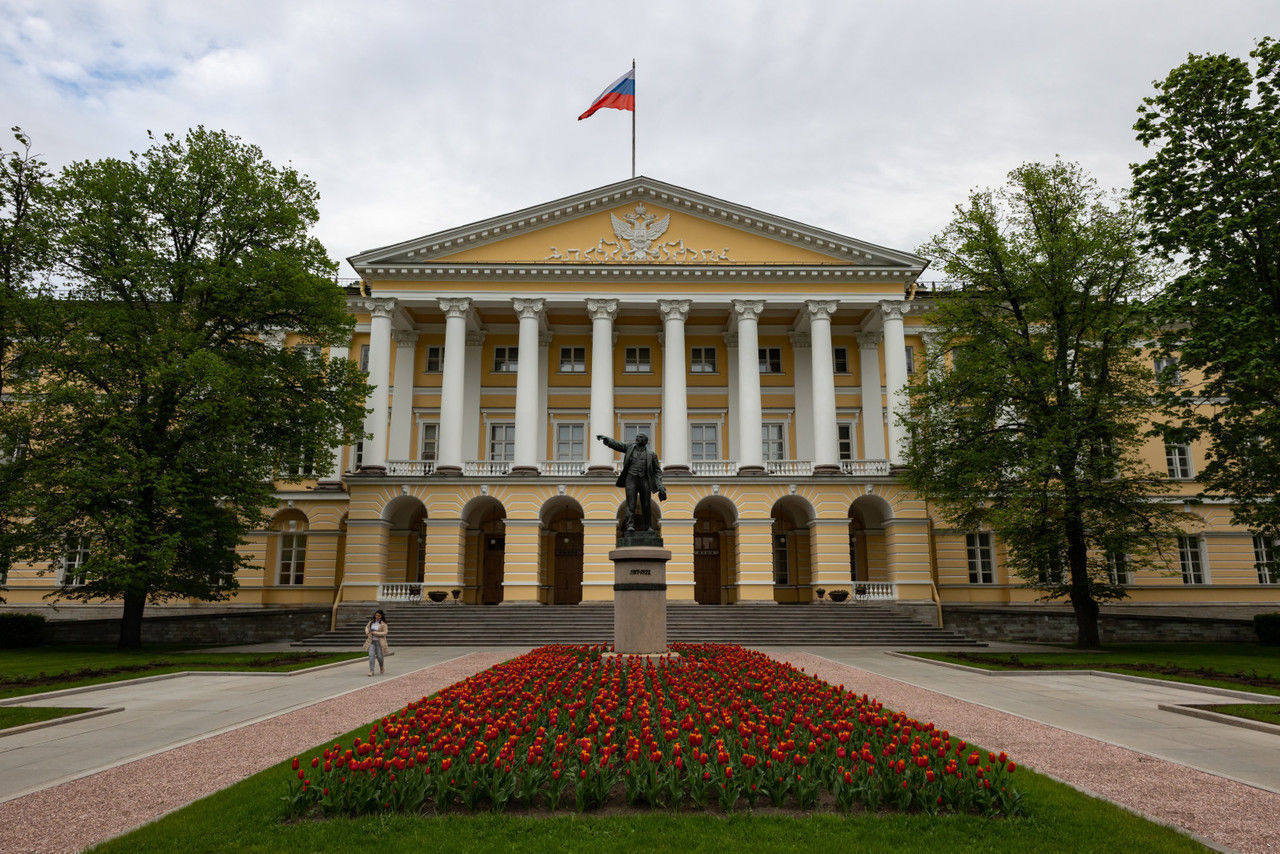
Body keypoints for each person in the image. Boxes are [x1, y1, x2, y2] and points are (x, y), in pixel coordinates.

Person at [596, 432, 666, 532]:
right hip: (631, 478)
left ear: (645, 441)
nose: (637, 438)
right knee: (631, 503)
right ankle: (630, 525)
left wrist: (660, 485)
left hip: (644, 479)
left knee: (646, 504)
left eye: (640, 437)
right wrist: (607, 440)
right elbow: (618, 445)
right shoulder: (629, 447)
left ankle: (648, 526)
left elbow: (657, 471)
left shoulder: (652, 455)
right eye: (637, 437)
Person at [364, 609, 389, 676]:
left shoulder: (383, 623)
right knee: (371, 656)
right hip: (371, 641)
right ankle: (371, 671)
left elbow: (385, 632)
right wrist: (367, 632)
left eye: (378, 616)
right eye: (376, 615)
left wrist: (376, 633)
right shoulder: (372, 621)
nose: (377, 617)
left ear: (381, 616)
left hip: (379, 642)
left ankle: (381, 666)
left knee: (380, 657)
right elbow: (366, 627)